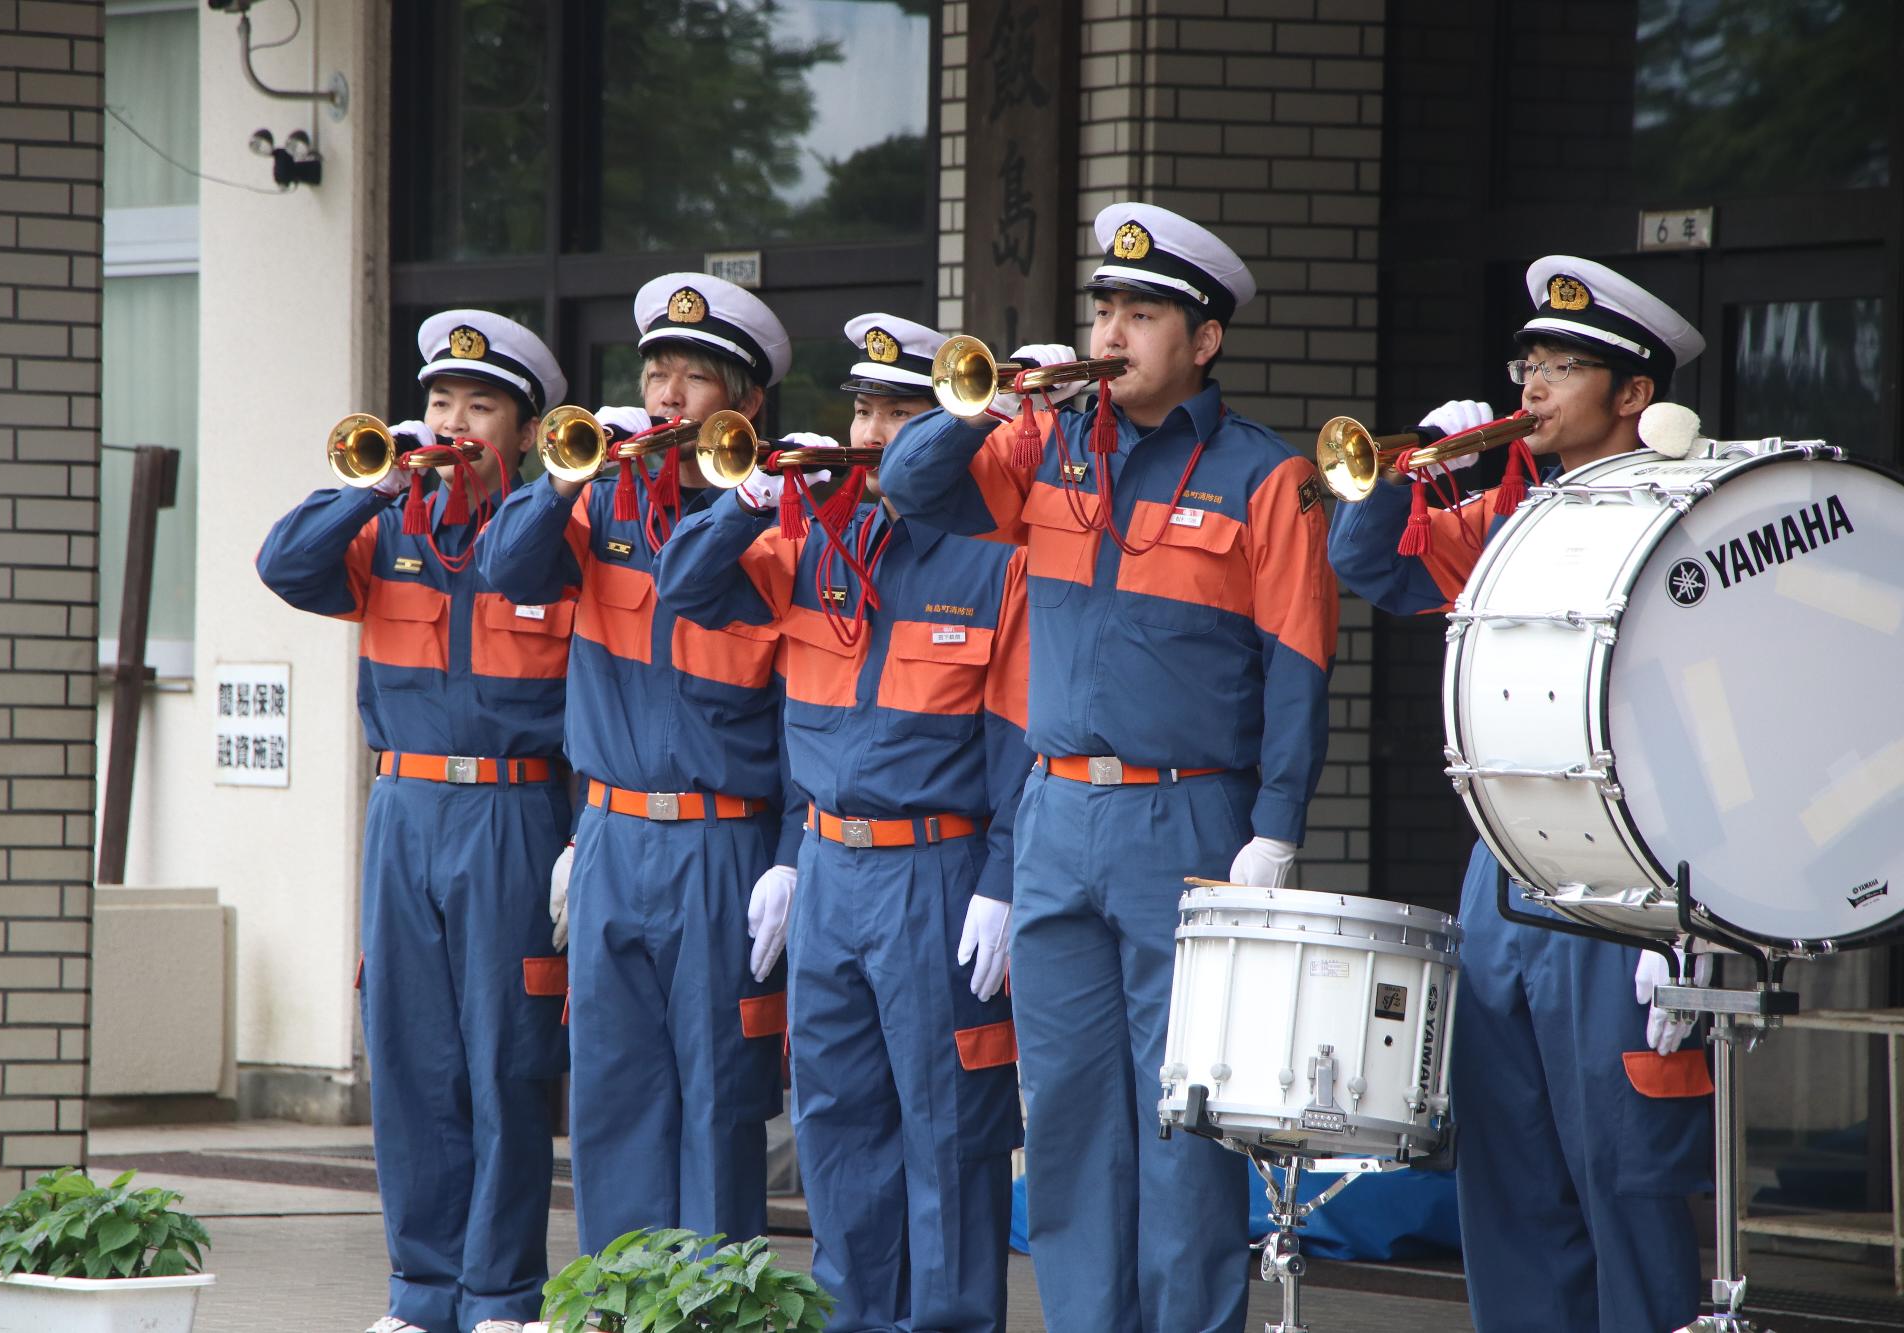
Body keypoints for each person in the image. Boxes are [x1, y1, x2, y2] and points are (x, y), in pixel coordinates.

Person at [879, 203, 1338, 1333]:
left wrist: (1273, 826)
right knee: (1071, 1113)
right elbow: (911, 489)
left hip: (1187, 824)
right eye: (1104, 309)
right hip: (1055, 814)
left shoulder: (1265, 478)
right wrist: (984, 401)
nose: (1111, 332)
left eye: (1141, 313)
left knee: (1180, 1117)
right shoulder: (1041, 446)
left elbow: (1297, 668)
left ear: (1202, 340)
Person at [1328, 255, 1713, 1332]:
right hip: (1502, 876)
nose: (1530, 386)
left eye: (1563, 367)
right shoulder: (1507, 512)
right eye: (1526, 361)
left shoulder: (1684, 519)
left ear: (1633, 394)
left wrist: (1688, 909)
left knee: (1623, 1179)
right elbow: (1366, 566)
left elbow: (1713, 726)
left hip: (1627, 882)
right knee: (1506, 1178)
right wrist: (1409, 466)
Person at [657, 313, 1028, 1333]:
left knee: (946, 1129)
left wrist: (1002, 877)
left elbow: (1014, 741)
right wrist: (744, 495)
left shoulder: (990, 556)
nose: (868, 435)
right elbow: (684, 586)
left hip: (935, 873)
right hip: (825, 867)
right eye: (860, 409)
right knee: (834, 1121)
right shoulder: (808, 538)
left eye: (896, 415)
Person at [256, 311, 574, 1333]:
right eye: (441, 402)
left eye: (480, 406)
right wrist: (372, 481)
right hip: (402, 807)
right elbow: (285, 565)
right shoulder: (385, 528)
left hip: (514, 810)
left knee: (505, 1060)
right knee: (408, 1058)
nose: (452, 422)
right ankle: (420, 1291)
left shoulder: (555, 538)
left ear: (524, 431)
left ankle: (498, 1295)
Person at [473, 272, 802, 1256]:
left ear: (742, 404)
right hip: (613, 835)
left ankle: (711, 1314)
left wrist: (788, 853)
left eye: (693, 377)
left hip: (721, 840)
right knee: (611, 1097)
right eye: (656, 371)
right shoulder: (602, 495)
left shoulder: (780, 518)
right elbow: (505, 569)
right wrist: (564, 477)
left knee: (715, 1102)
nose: (665, 395)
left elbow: (802, 713)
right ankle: (611, 1307)